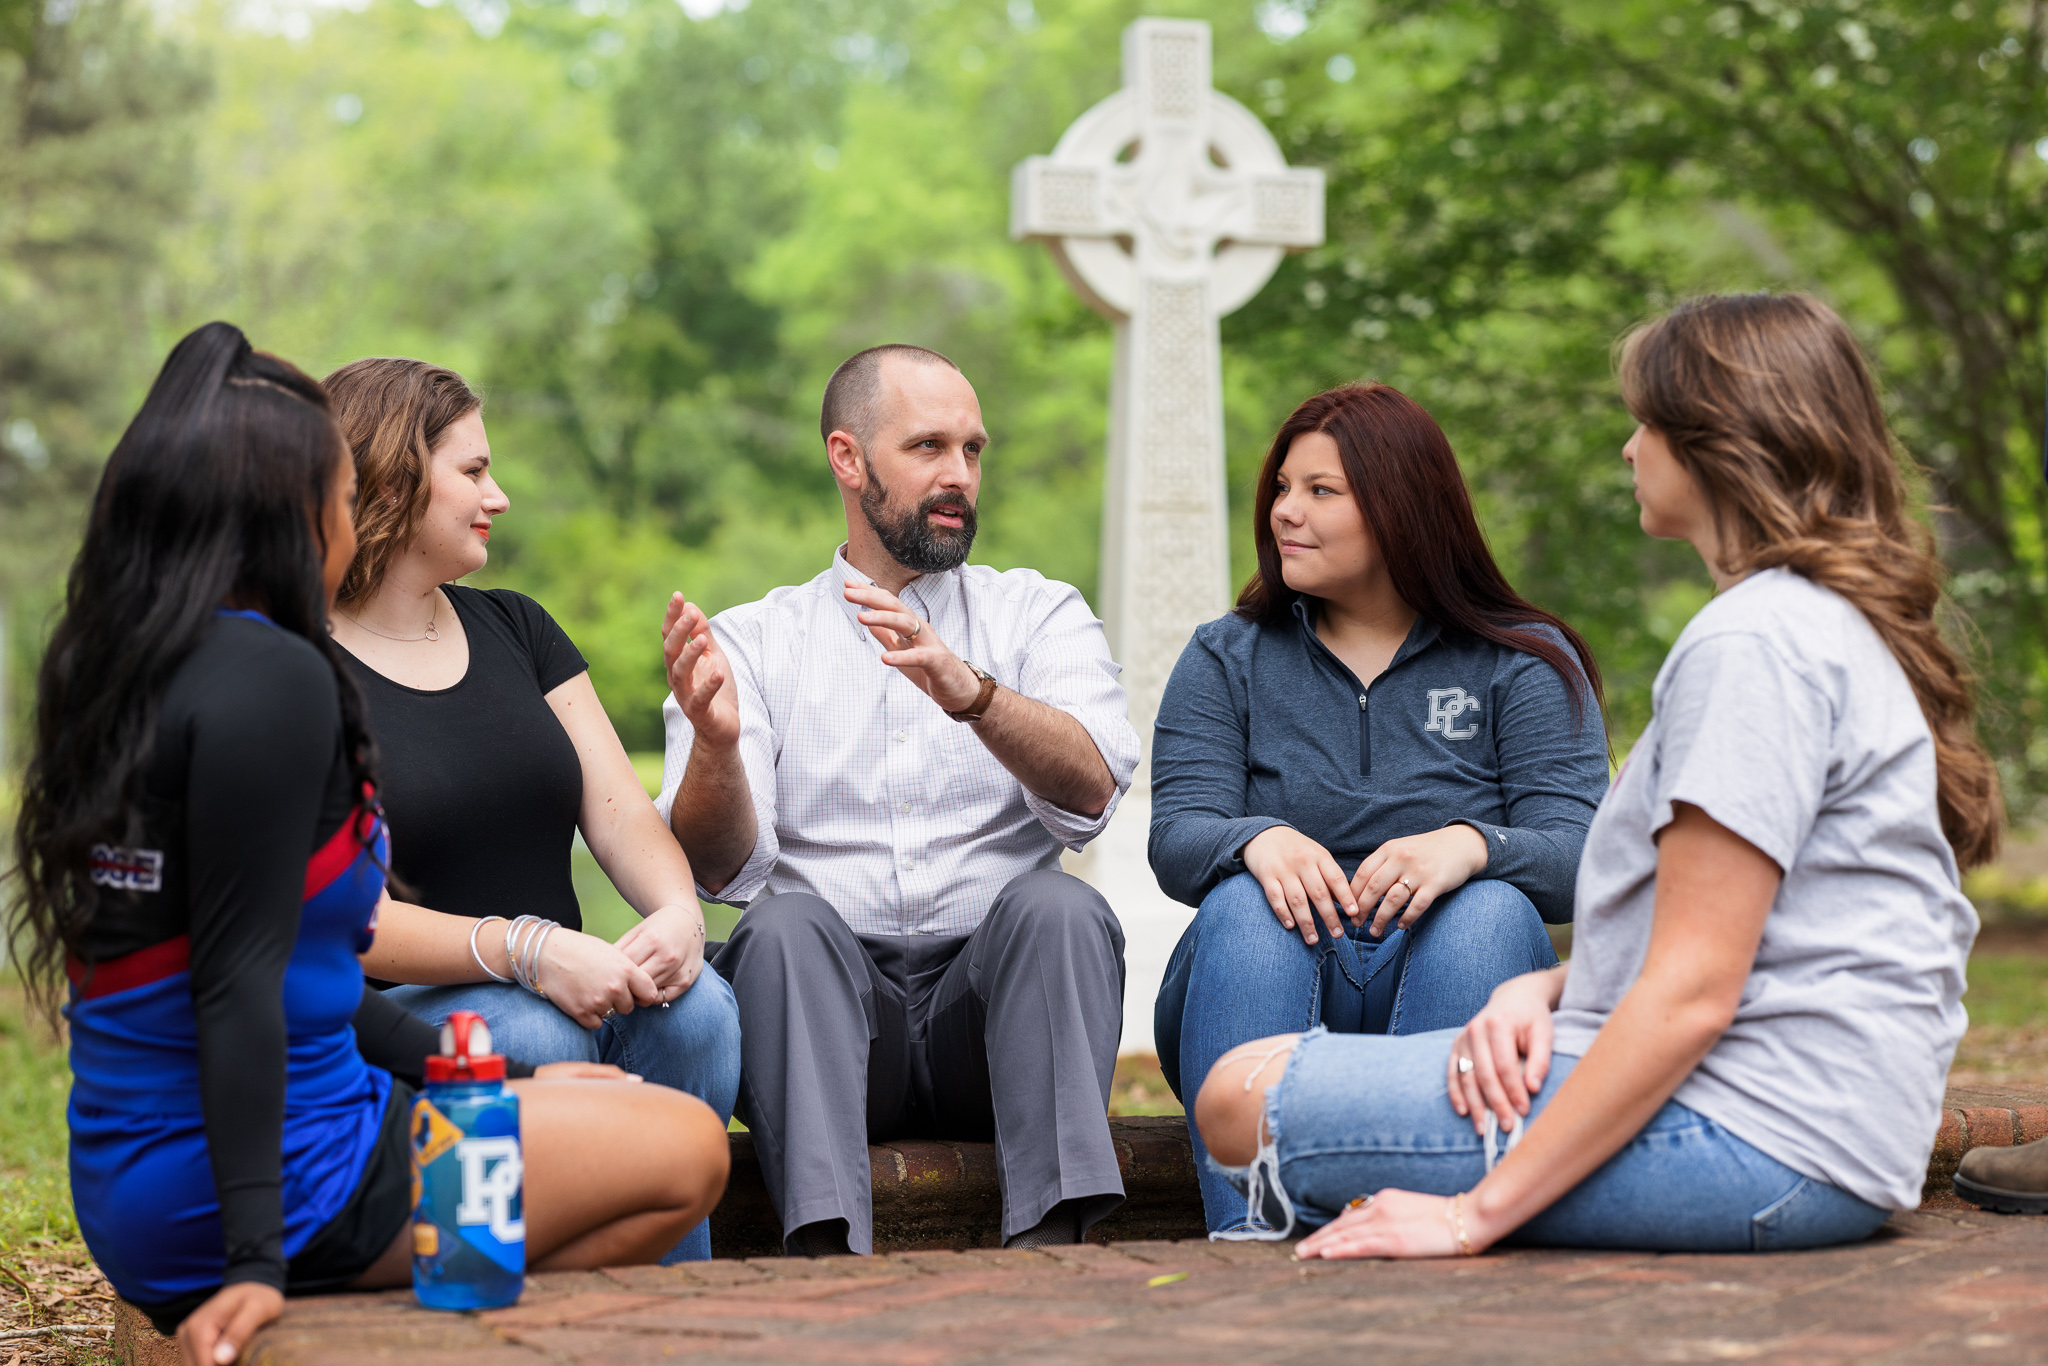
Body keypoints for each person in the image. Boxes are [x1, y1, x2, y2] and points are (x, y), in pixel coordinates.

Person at [1193, 292, 2000, 1257]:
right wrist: (1553, 990)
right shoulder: (1804, 623)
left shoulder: (1753, 644)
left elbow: (1696, 989)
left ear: (1718, 443)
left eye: (1648, 422)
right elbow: (1752, 941)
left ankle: (1382, 1230)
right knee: (1272, 1064)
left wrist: (1471, 1216)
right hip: (1816, 1128)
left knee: (1240, 1100)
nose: (1628, 448)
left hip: (1761, 1138)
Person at [7, 323, 729, 1365]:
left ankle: (449, 1312)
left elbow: (288, 961)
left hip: (136, 1184)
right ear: (291, 516)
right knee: (685, 1150)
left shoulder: (117, 667)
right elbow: (240, 983)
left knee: (590, 1104)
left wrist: (462, 1077)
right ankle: (442, 1318)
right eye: (342, 499)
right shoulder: (278, 676)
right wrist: (255, 1262)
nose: (353, 521)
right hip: (284, 1186)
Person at [658, 343, 1140, 1255]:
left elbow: (1093, 792)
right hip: (833, 1023)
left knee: (1058, 905)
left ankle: (1057, 1256)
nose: (960, 475)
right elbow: (719, 868)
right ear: (848, 459)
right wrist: (716, 747)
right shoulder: (753, 641)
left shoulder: (1037, 614)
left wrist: (977, 697)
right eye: (928, 448)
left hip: (998, 1018)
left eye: (973, 450)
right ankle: (828, 1262)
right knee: (781, 926)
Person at [1149, 381, 1610, 1234]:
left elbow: (1586, 858)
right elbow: (1176, 839)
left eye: (1322, 492)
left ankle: (1433, 1218)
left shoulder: (1524, 662)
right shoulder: (1227, 656)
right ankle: (1247, 1234)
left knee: (1492, 909)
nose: (1287, 511)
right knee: (1245, 907)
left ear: (1402, 508)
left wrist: (1472, 845)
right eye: (1283, 487)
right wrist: (1258, 839)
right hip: (1269, 978)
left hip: (1447, 971)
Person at [320, 358, 742, 1262]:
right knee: (524, 1026)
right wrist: (527, 948)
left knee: (698, 1006)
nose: (497, 496)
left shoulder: (518, 627)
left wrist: (674, 913)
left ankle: (672, 1300)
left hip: (566, 978)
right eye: (472, 472)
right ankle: (492, 1289)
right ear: (393, 476)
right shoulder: (299, 667)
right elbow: (336, 919)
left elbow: (623, 816)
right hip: (399, 1020)